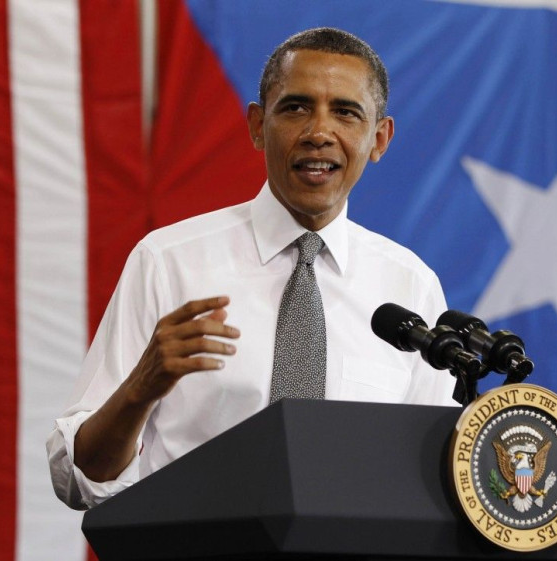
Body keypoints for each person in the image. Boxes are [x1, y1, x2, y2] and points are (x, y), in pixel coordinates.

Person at [47, 27, 455, 510]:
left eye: (345, 112)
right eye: (296, 107)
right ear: (258, 126)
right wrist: (141, 388)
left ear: (379, 138)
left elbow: (430, 484)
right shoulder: (168, 260)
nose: (319, 132)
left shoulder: (410, 286)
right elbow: (79, 479)